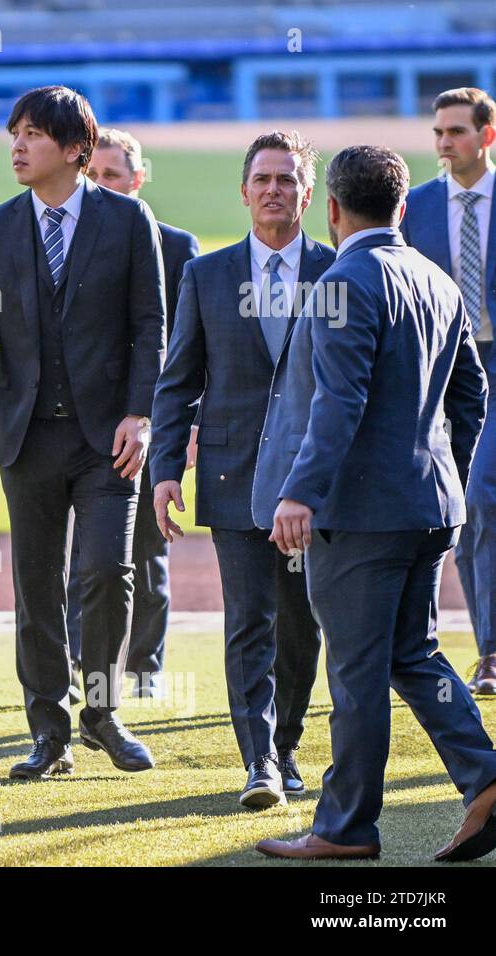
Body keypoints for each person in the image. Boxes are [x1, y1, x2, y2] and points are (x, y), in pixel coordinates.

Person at [256, 145, 496, 862]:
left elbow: (340, 400)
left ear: (330, 209)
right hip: (428, 506)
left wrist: (300, 491)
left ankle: (344, 829)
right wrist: (437, 470)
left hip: (361, 516)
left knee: (357, 671)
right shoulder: (436, 278)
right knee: (412, 654)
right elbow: (473, 395)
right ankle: (485, 776)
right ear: (400, 206)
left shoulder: (344, 279)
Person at [0, 86, 165, 780]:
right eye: (13, 133)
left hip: (107, 438)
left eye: (33, 135)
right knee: (35, 585)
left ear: (76, 149)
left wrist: (142, 412)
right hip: (25, 439)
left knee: (108, 570)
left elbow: (149, 326)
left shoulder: (129, 222)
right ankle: (49, 732)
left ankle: (102, 713)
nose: (17, 146)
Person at [150, 132, 327, 808]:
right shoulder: (208, 274)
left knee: (300, 624)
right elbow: (178, 380)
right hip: (231, 476)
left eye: (288, 179)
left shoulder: (337, 274)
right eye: (264, 179)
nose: (275, 190)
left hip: (311, 483)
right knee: (247, 619)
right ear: (245, 191)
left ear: (307, 194)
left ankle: (286, 744)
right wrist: (166, 467)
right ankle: (259, 763)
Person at [66, 127, 200, 700]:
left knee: (147, 547)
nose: (101, 186)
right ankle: (80, 667)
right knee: (85, 552)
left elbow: (193, 346)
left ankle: (144, 667)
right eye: (93, 176)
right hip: (81, 420)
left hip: (153, 420)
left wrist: (188, 424)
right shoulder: (64, 239)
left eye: (112, 176)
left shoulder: (175, 246)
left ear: (138, 179)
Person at [400, 87, 496, 697]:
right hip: (442, 370)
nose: (443, 143)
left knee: (480, 490)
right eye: (438, 132)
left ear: (486, 135)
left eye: (456, 132)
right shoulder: (417, 205)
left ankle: (489, 653)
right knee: (461, 500)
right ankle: (429, 648)